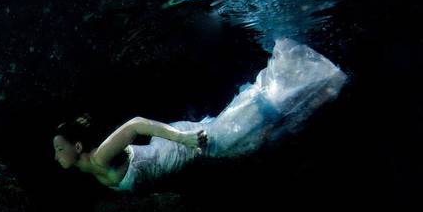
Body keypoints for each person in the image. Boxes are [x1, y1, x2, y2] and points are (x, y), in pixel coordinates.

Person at [53, 38, 347, 191]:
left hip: (196, 144)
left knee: (260, 114)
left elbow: (136, 124)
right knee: (263, 134)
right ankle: (323, 85)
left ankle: (312, 69)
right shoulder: (94, 170)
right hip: (196, 151)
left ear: (77, 147)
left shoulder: (101, 157)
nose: (56, 156)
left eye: (58, 148)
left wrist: (186, 138)